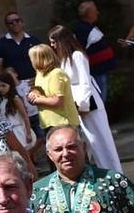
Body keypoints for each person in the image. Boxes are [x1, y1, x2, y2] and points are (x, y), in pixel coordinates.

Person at [31, 124, 134, 213]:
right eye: (58, 149)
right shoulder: (37, 193)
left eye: (71, 147)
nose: (65, 153)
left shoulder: (113, 182)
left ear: (84, 147)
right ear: (49, 154)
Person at [49, 25, 118, 172]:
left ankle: (114, 173)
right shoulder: (63, 60)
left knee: (101, 141)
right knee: (90, 144)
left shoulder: (77, 56)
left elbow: (85, 82)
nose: (52, 45)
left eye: (54, 42)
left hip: (88, 105)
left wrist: (83, 106)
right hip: (76, 107)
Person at [25, 43, 81, 136]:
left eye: (32, 58)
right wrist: (32, 95)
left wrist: (37, 100)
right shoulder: (40, 73)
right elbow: (40, 92)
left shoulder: (56, 74)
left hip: (63, 122)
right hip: (49, 122)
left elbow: (57, 101)